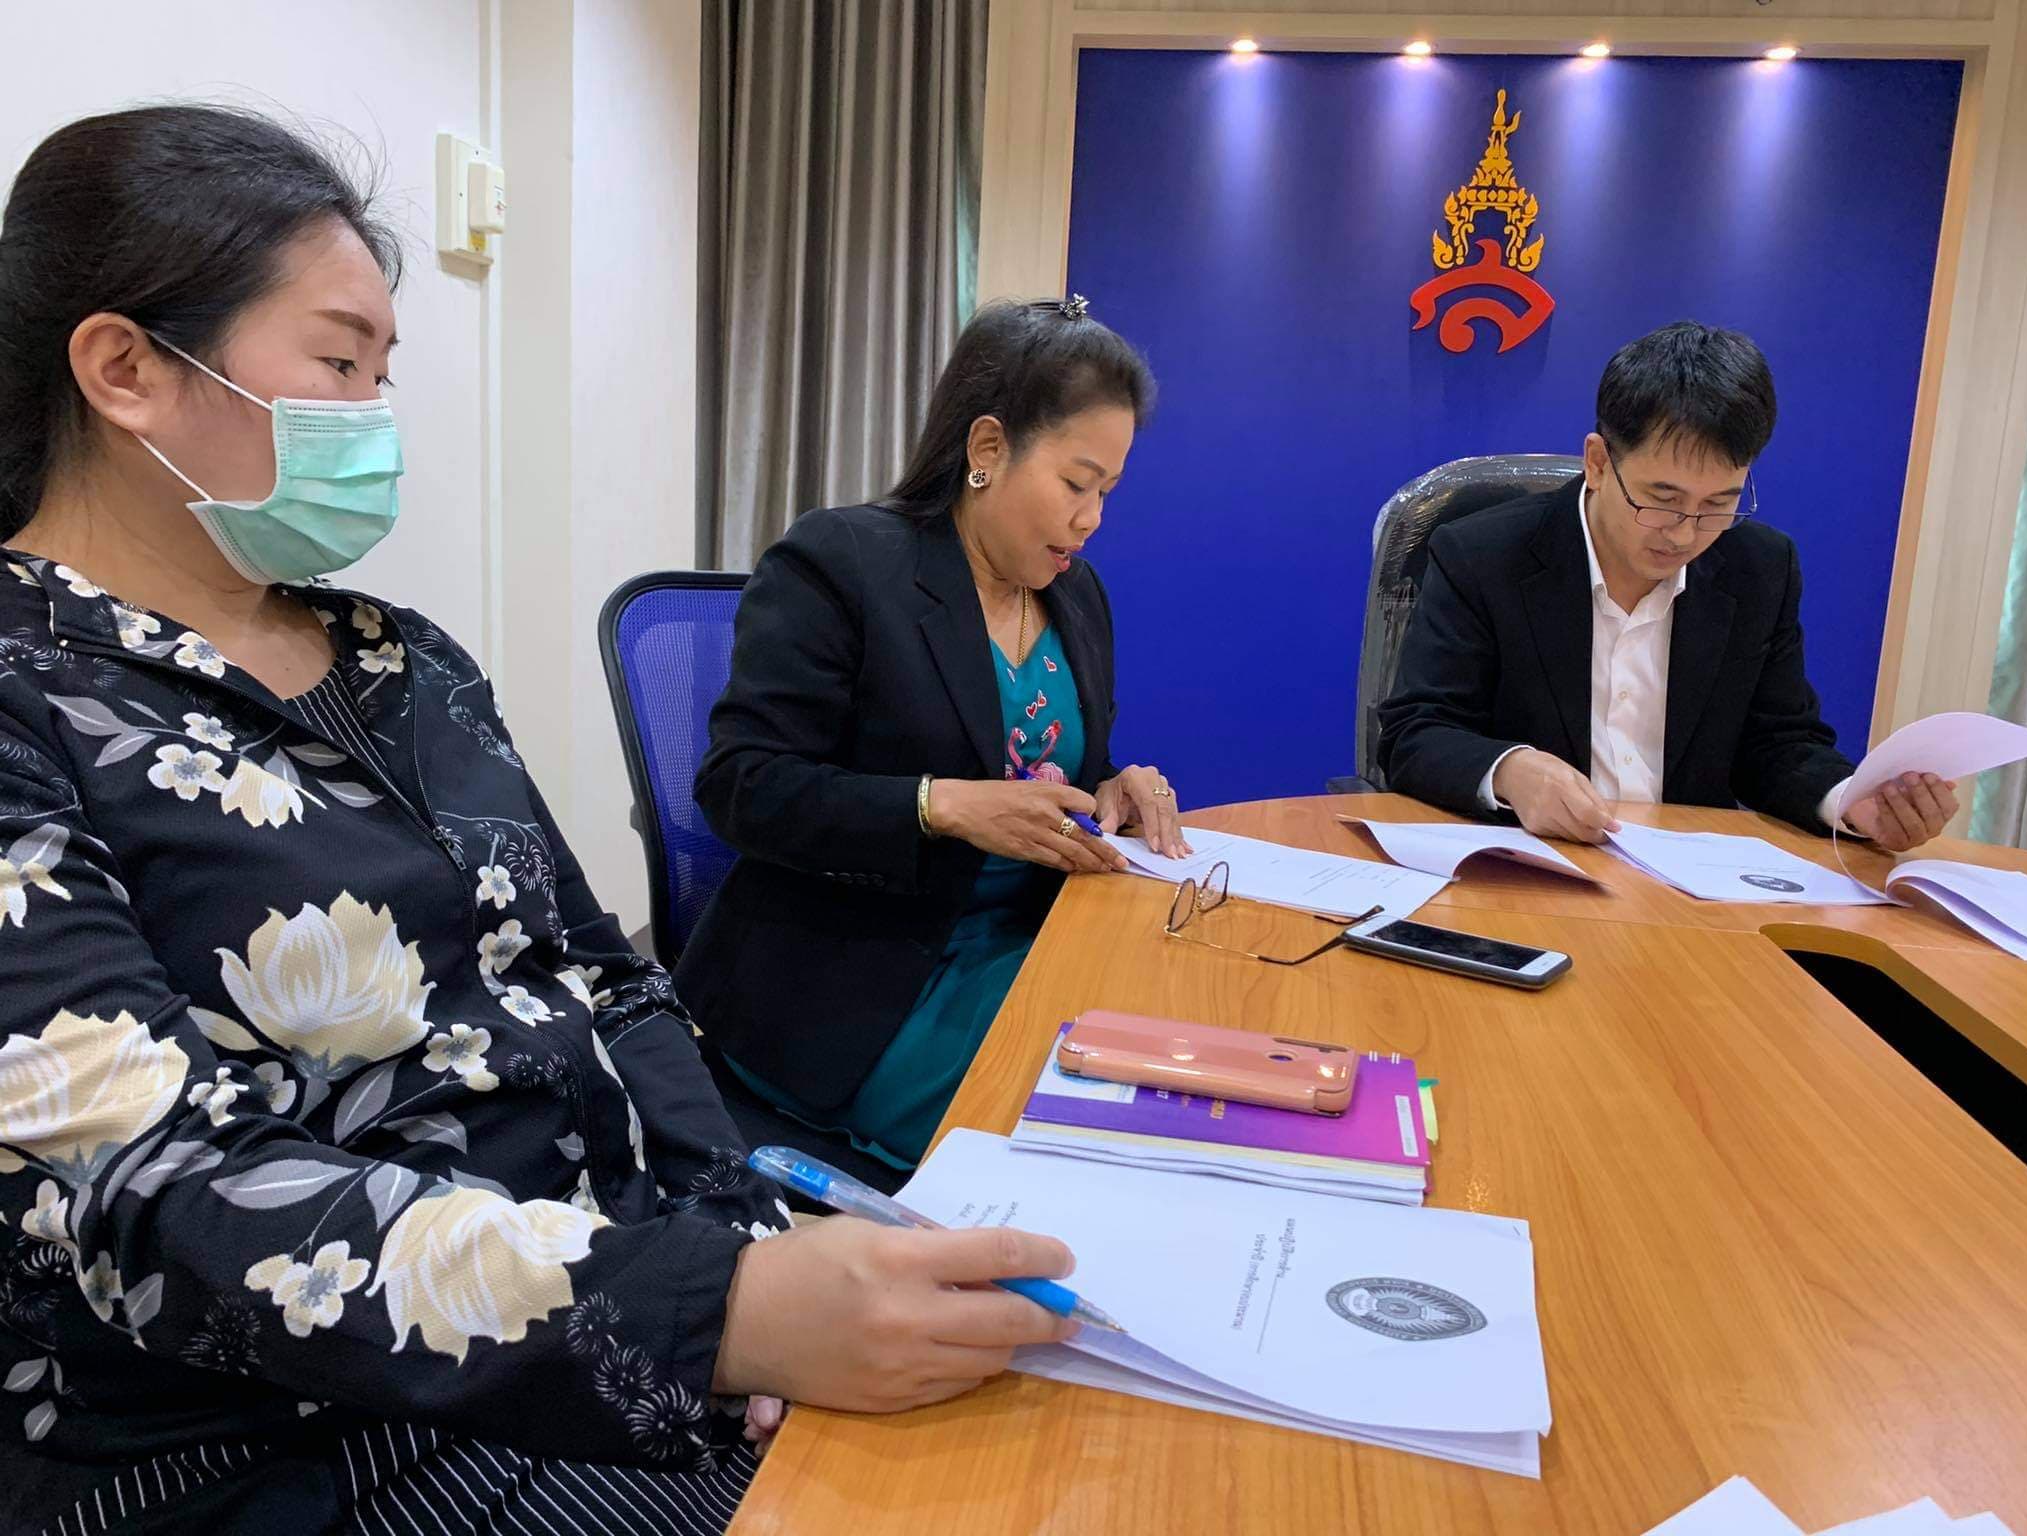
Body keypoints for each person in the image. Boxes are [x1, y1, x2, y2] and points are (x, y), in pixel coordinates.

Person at [0, 106, 1080, 1536]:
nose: (371, 418)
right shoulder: (27, 702)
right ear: (125, 368)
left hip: (636, 1318)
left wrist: (738, 1230)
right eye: (338, 364)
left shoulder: (405, 662)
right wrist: (717, 1314)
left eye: (383, 375)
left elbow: (608, 977)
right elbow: (151, 1193)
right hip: (300, 1436)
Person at [681, 298, 1184, 1173]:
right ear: (987, 448)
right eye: (1075, 484)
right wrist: (935, 805)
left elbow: (1056, 769)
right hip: (861, 987)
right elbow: (740, 786)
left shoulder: (1076, 595)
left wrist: (1111, 788)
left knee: (1189, 1054)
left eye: (1107, 491)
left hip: (1030, 946)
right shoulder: (841, 561)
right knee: (1110, 1141)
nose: (1093, 518)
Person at [1377, 320, 1958, 852]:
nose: (1685, 533)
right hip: (1532, 869)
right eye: (1663, 499)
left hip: (1686, 887)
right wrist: (1511, 771)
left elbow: (1778, 744)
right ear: (1598, 462)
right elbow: (1416, 732)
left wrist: (1849, 802)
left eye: (1719, 504)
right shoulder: (1483, 555)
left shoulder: (1760, 568)